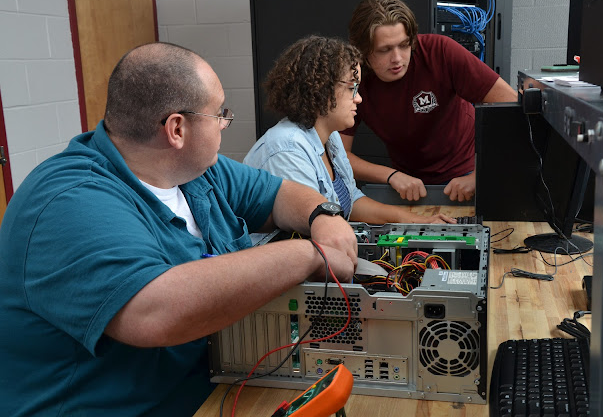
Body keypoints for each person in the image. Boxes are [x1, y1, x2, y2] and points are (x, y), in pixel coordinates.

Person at [0, 42, 358, 416]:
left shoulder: (194, 169)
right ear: (176, 129)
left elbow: (278, 194)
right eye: (219, 113)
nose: (224, 122)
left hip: (215, 389)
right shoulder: (69, 201)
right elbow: (156, 311)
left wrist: (324, 215)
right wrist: (306, 254)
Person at [243, 36, 454, 225]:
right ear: (320, 89)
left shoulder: (331, 138)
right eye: (351, 87)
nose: (359, 98)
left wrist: (416, 221)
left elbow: (352, 199)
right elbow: (318, 229)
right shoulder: (287, 151)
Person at [340, 0, 518, 202]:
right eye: (385, 50)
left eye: (404, 45)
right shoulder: (355, 77)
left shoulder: (441, 52)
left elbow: (512, 108)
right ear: (363, 51)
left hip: (465, 175)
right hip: (408, 184)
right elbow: (338, 156)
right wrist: (391, 176)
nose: (397, 58)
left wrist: (479, 175)